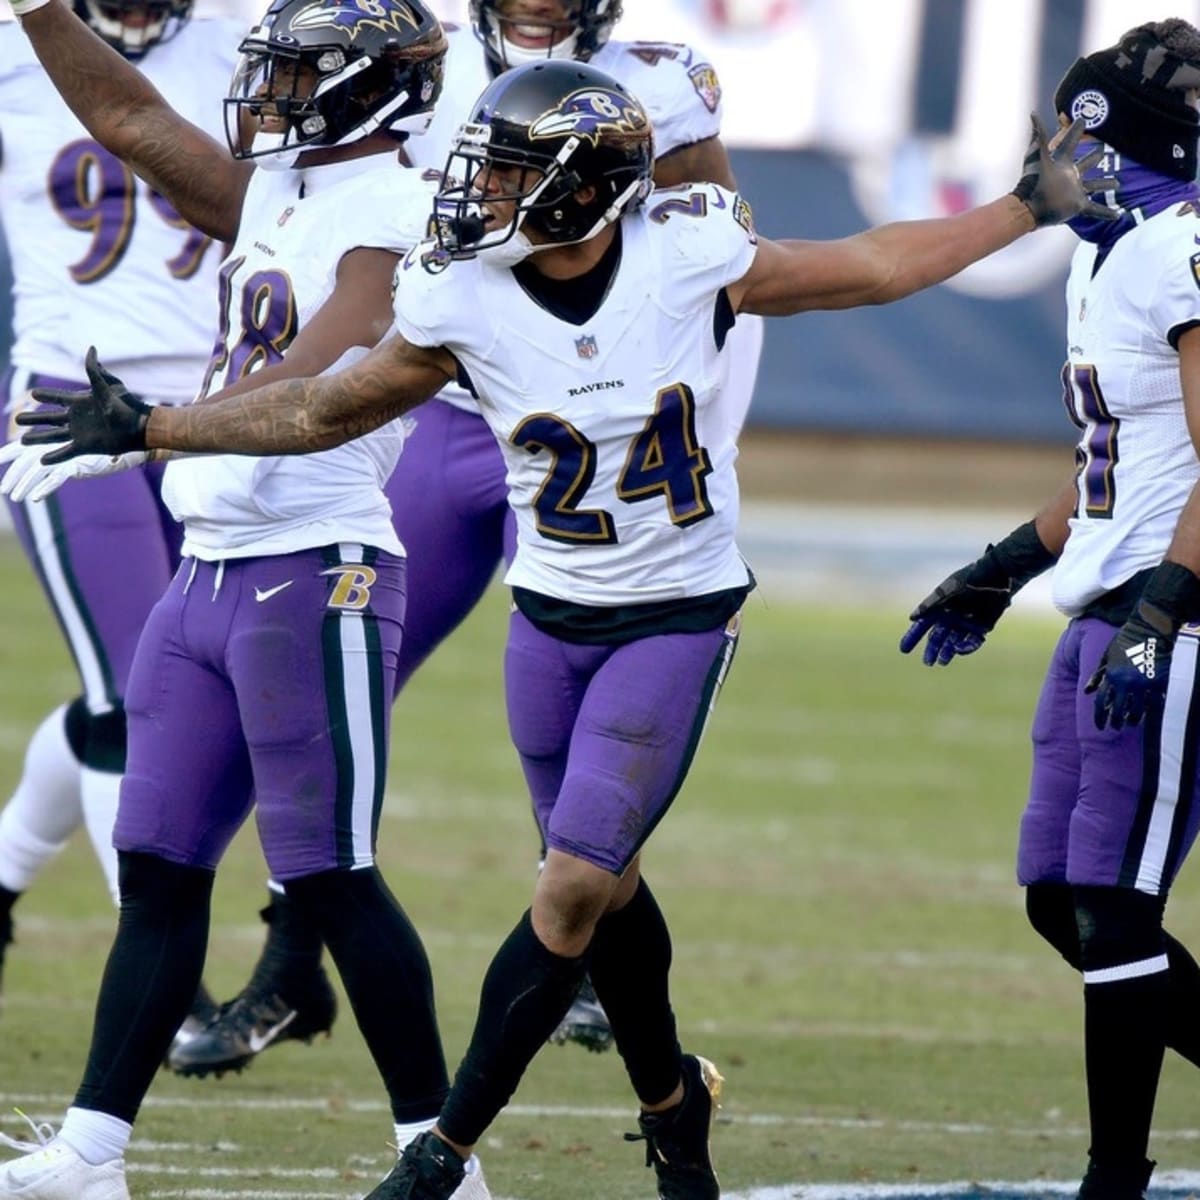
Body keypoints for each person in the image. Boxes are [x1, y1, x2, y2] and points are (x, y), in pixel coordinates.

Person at [7, 54, 1116, 1200]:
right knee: (607, 886)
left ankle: (439, 1158)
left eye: (508, 171)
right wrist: (160, 427)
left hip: (675, 616)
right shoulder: (461, 293)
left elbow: (875, 265)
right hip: (546, 622)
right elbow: (323, 405)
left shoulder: (691, 255)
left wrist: (1026, 206)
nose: (477, 191)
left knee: (574, 887)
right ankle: (671, 1106)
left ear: (583, 186)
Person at [174, 0, 761, 1076]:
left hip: (604, 430)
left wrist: (701, 435)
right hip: (447, 410)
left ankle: (580, 943)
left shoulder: (659, 81)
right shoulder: (421, 69)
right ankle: (289, 970)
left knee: (606, 693)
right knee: (345, 688)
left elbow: (720, 277)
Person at [0, 1, 491, 1198]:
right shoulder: (287, 189)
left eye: (296, 73)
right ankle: (92, 1154)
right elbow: (126, 115)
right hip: (213, 569)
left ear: (371, 90)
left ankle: (440, 1159)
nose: (266, 89)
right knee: (161, 866)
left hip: (317, 569)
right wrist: (38, 10)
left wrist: (159, 428)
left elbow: (318, 390)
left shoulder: (400, 221)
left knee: (329, 874)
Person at [899, 19, 1200, 1200]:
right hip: (1107, 604)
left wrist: (1165, 606)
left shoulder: (1182, 250)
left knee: (1116, 913)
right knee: (1059, 902)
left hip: (1171, 616)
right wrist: (1003, 563)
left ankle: (1112, 1179)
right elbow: (1116, 469)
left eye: (1078, 136)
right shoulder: (1108, 254)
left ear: (1127, 147)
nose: (1053, 157)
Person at [0, 0, 242, 1040]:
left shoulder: (244, 40)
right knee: (137, 692)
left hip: (212, 417)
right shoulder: (17, 48)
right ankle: (163, 978)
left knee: (137, 693)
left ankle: (4, 871)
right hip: (69, 403)